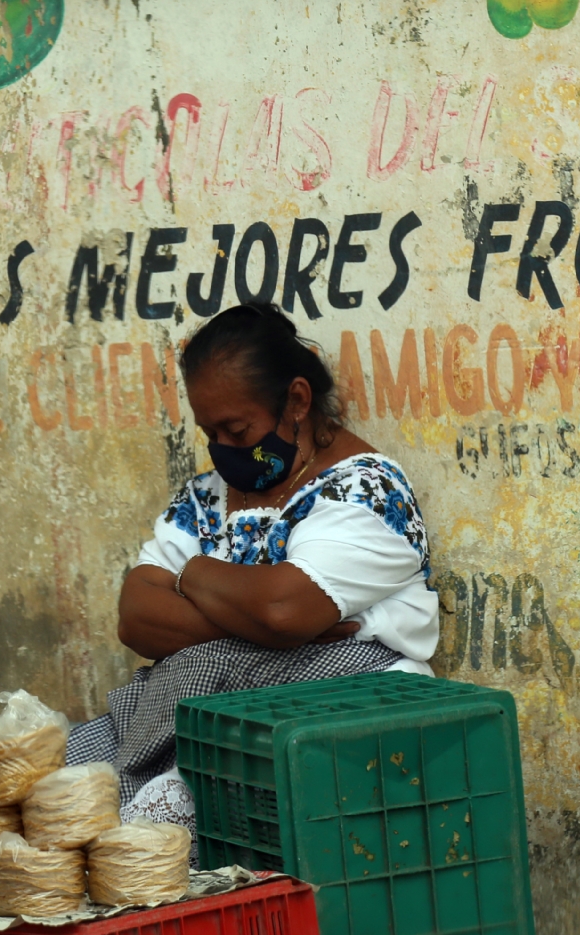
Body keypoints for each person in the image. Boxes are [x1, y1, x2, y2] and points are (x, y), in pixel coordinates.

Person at [66, 304, 439, 833]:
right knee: (58, 796)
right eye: (210, 433)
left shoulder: (366, 492)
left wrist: (190, 577)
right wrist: (263, 624)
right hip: (219, 713)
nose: (223, 450)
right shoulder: (205, 497)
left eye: (238, 431)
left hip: (336, 714)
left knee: (149, 829)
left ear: (297, 401)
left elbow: (281, 609)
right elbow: (137, 617)